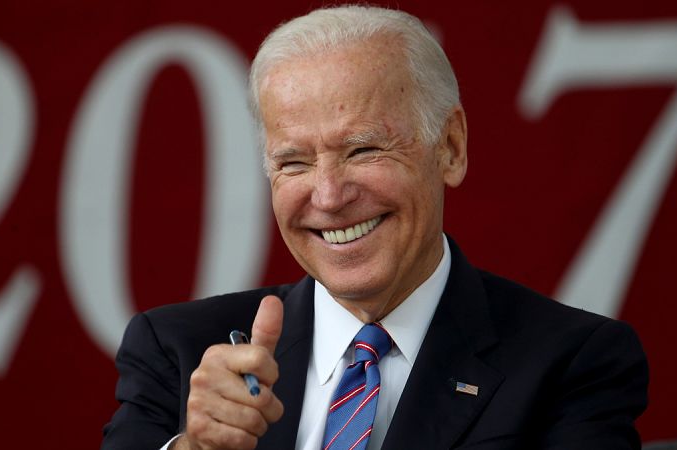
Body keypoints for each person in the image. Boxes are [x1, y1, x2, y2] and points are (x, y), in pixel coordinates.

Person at [101, 5, 648, 450]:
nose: (329, 196)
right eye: (294, 162)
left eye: (363, 149)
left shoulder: (572, 364)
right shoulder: (177, 353)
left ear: (451, 149)